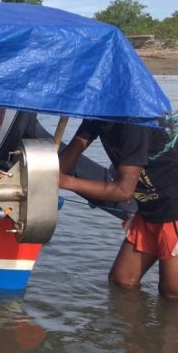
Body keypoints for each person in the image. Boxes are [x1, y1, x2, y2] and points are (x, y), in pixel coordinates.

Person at [59, 119, 178, 298]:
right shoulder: (98, 116)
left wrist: (67, 182)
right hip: (149, 211)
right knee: (122, 282)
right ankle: (132, 326)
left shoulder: (136, 123)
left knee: (171, 292)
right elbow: (65, 163)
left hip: (173, 210)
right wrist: (53, 170)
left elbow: (124, 190)